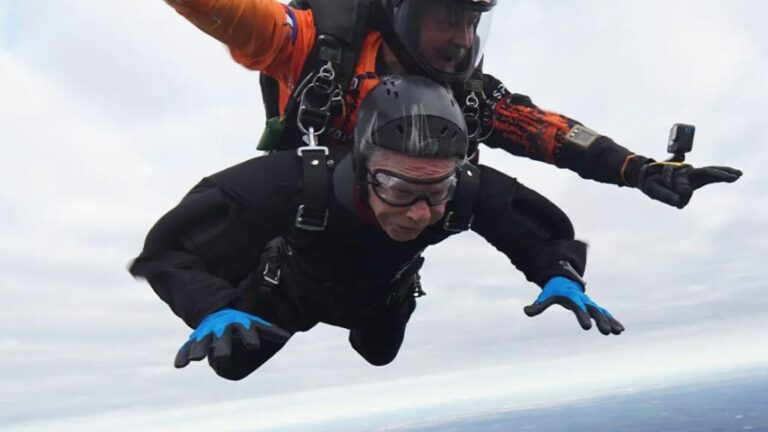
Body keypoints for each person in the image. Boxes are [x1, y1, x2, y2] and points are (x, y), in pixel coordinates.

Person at [130, 76, 624, 381]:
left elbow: (537, 227)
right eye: (398, 188)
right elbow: (167, 250)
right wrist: (211, 307)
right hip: (292, 286)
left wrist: (559, 272)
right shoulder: (295, 183)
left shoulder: (464, 190)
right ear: (364, 167)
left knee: (378, 355)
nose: (419, 213)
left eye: (437, 192)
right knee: (231, 365)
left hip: (382, 291)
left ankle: (395, 294)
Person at [161, 0, 740, 209]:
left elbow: (548, 132)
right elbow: (227, 8)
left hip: (396, 223)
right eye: (447, 16)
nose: (462, 38)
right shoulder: (314, 45)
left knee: (381, 339)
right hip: (305, 210)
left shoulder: (466, 93)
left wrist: (636, 169)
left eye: (470, 20)